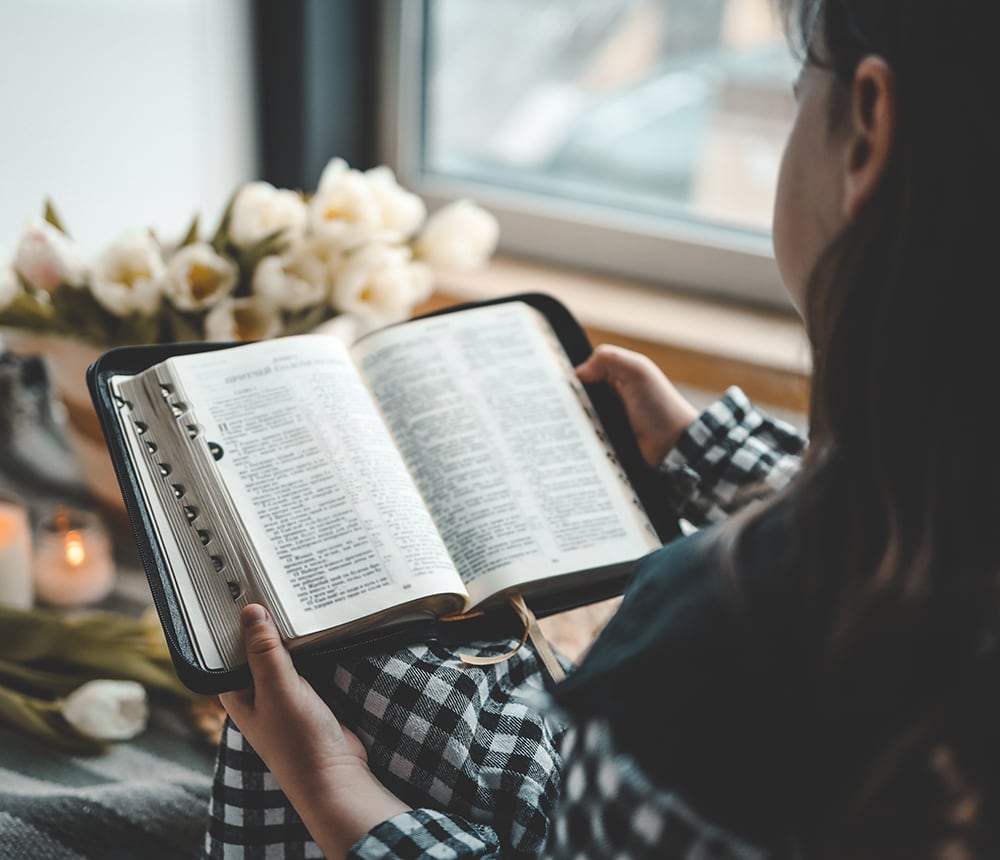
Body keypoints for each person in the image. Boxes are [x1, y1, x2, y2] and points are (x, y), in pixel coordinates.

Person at [205, 0, 1000, 856]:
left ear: (868, 129)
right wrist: (700, 448)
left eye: (800, 87)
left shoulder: (707, 643)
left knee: (339, 664)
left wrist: (333, 789)